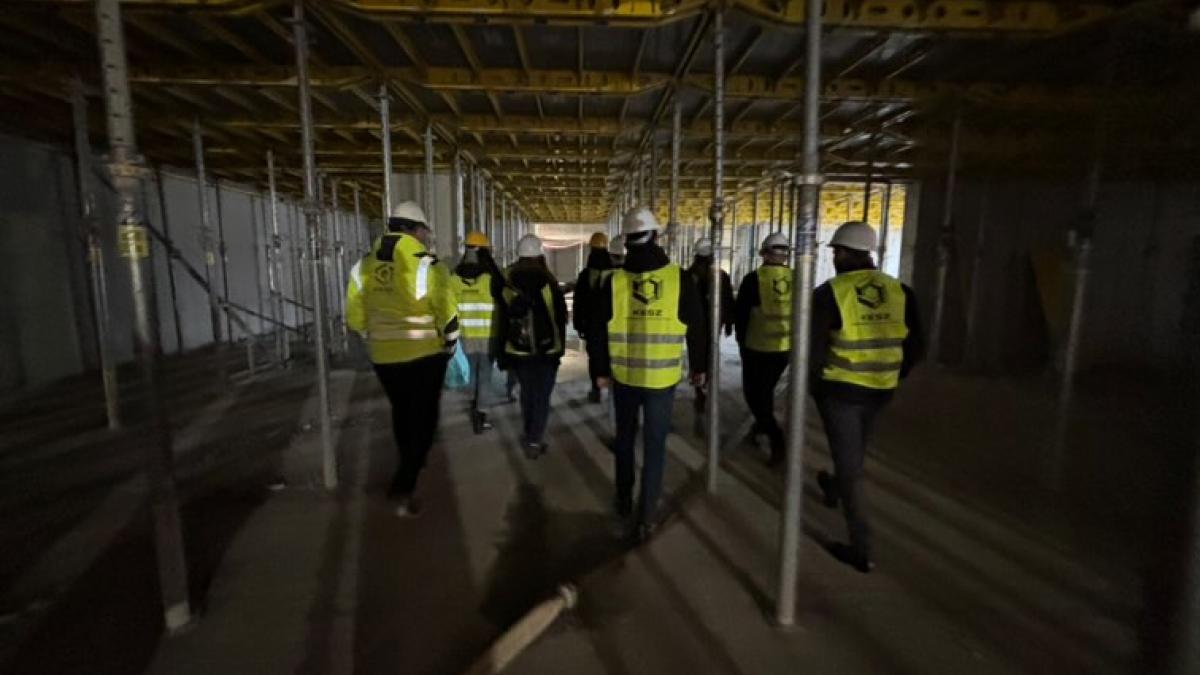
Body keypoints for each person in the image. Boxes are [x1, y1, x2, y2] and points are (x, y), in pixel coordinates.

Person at [811, 221, 924, 574]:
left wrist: (815, 386)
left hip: (842, 390)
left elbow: (812, 350)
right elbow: (917, 345)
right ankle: (832, 485)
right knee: (853, 452)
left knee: (852, 468)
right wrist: (894, 373)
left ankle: (862, 549)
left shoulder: (831, 292)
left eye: (835, 252)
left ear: (844, 253)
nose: (834, 258)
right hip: (881, 389)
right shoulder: (901, 291)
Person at [593, 207, 709, 543]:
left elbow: (599, 333)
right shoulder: (679, 278)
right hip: (661, 381)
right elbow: (698, 327)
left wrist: (600, 371)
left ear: (626, 240)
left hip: (624, 379)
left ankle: (622, 500)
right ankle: (647, 517)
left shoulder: (613, 282)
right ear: (656, 236)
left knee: (625, 442)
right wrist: (699, 368)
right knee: (655, 448)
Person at [346, 201, 458, 518]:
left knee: (402, 410)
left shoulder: (362, 266)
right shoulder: (427, 265)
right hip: (424, 356)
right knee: (425, 418)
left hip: (383, 358)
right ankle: (405, 482)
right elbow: (447, 314)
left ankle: (410, 458)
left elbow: (355, 319)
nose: (426, 238)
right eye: (424, 231)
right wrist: (449, 346)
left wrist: (377, 336)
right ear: (415, 229)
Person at [498, 234, 568, 459]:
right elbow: (559, 319)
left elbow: (501, 319)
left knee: (527, 394)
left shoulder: (507, 281)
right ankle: (535, 440)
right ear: (540, 255)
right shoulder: (548, 282)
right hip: (546, 351)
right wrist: (559, 350)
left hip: (518, 350)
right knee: (542, 396)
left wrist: (502, 352)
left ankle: (529, 433)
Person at [734, 232, 793, 467]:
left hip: (757, 346)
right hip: (785, 348)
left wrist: (740, 341)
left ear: (763, 253)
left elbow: (742, 315)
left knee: (754, 394)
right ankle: (760, 427)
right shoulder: (798, 278)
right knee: (765, 391)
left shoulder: (753, 279)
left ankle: (775, 437)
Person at [451, 231, 505, 434]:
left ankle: (474, 404)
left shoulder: (454, 278)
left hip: (466, 336)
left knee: (472, 374)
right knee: (485, 376)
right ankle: (481, 416)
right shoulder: (491, 278)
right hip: (488, 335)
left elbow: (449, 307)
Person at [687, 238, 736, 416]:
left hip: (695, 326)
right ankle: (705, 385)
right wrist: (729, 322)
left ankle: (700, 388)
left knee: (697, 358)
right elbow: (729, 300)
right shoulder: (720, 275)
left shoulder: (690, 274)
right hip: (712, 323)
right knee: (710, 353)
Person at [573, 232, 615, 403]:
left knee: (595, 358)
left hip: (593, 326)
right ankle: (612, 389)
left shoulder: (585, 275)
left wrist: (578, 325)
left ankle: (596, 389)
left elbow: (579, 302)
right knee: (611, 356)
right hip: (612, 325)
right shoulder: (615, 274)